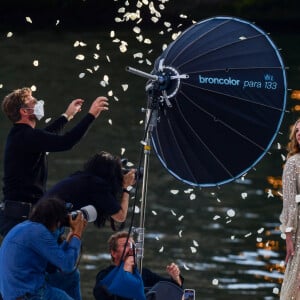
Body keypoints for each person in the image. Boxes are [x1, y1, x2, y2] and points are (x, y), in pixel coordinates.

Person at [0, 87, 108, 236]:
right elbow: (67, 142)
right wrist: (91, 115)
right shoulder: (26, 136)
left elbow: (46, 135)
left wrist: (67, 115)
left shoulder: (21, 135)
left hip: (18, 214)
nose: (38, 104)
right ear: (24, 111)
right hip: (20, 217)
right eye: (34, 102)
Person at [0, 196, 87, 300]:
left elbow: (55, 264)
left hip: (15, 292)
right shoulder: (39, 232)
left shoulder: (27, 227)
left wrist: (70, 239)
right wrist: (77, 234)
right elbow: (67, 265)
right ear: (55, 220)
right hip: (29, 295)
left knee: (71, 277)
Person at [44, 151, 136, 230]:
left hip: (41, 219)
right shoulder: (97, 185)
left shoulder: (81, 178)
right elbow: (120, 216)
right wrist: (126, 187)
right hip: (46, 226)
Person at [93, 231, 184, 300]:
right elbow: (100, 294)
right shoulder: (105, 275)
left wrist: (175, 277)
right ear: (114, 253)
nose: (131, 249)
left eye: (133, 245)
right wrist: (126, 268)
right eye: (126, 245)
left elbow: (172, 289)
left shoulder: (143, 272)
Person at [279, 118, 300, 300]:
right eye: (298, 131)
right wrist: (289, 236)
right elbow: (290, 204)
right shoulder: (293, 164)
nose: (299, 133)